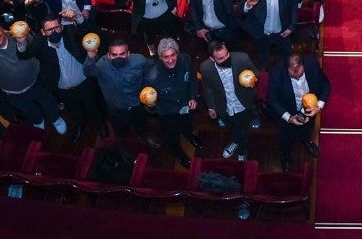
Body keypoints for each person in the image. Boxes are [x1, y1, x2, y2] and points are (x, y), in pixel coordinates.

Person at [0, 19, 67, 133]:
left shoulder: (17, 35)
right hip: (15, 93)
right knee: (29, 110)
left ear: (2, 29)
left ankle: (56, 118)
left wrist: (23, 41)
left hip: (37, 81)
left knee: (48, 101)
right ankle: (38, 122)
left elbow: (35, 43)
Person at [83, 35, 160, 145]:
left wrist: (148, 85)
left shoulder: (138, 60)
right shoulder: (102, 65)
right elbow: (88, 71)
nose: (118, 57)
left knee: (142, 124)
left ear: (128, 53)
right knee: (121, 130)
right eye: (114, 55)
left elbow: (152, 67)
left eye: (122, 54)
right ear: (109, 55)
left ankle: (144, 135)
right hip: (116, 108)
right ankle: (124, 144)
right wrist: (91, 56)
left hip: (137, 104)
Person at [267, 52, 330, 173]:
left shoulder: (312, 64)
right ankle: (284, 154)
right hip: (287, 111)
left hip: (309, 108)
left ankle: (307, 140)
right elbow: (272, 100)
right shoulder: (276, 73)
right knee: (286, 137)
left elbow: (325, 85)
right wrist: (289, 118)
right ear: (287, 68)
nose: (297, 78)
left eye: (299, 74)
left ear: (304, 66)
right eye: (292, 75)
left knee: (307, 129)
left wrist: (318, 107)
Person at [146, 37, 202, 168]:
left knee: (187, 125)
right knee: (172, 136)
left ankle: (189, 135)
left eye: (173, 55)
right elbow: (149, 101)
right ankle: (178, 153)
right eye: (166, 57)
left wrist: (193, 96)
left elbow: (192, 78)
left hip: (185, 105)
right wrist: (151, 106)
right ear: (160, 57)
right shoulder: (152, 76)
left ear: (178, 53)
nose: (170, 60)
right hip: (167, 112)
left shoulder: (186, 59)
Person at [200, 39, 258, 161]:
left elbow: (256, 74)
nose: (226, 59)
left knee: (243, 129)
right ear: (212, 59)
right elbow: (208, 88)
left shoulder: (242, 58)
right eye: (221, 58)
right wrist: (211, 107)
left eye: (227, 54)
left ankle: (242, 151)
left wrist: (252, 81)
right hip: (223, 106)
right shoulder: (205, 68)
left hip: (242, 102)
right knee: (231, 127)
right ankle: (235, 141)